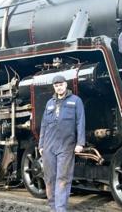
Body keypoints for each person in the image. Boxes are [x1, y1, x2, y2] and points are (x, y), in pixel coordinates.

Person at [39, 75, 86, 212]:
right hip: (49, 146)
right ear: (54, 87)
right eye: (56, 85)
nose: (59, 87)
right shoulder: (49, 103)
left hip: (66, 145)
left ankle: (60, 209)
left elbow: (80, 122)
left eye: (61, 84)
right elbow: (43, 125)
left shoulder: (76, 101)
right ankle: (53, 207)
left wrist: (80, 143)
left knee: (63, 178)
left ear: (66, 85)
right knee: (49, 178)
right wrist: (41, 145)